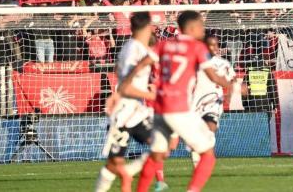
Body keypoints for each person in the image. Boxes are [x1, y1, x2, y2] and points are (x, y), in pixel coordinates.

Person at [121, 11, 234, 192]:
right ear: (192, 28)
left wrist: (125, 84)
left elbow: (142, 63)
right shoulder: (197, 48)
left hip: (160, 108)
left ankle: (139, 185)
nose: (203, 30)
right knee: (208, 155)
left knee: (158, 154)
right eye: (201, 26)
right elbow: (214, 77)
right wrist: (234, 86)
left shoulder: (164, 44)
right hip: (179, 108)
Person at [95, 12, 156, 192]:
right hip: (123, 113)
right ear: (148, 27)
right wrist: (151, 95)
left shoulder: (133, 47)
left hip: (136, 111)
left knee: (161, 145)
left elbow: (117, 69)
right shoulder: (134, 50)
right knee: (114, 164)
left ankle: (129, 171)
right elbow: (126, 88)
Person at [190, 35, 234, 166]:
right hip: (196, 102)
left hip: (214, 102)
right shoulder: (195, 62)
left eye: (216, 45)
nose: (215, 48)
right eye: (211, 45)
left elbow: (232, 80)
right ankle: (198, 161)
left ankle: (204, 162)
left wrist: (229, 95)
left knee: (210, 129)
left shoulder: (223, 63)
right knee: (197, 136)